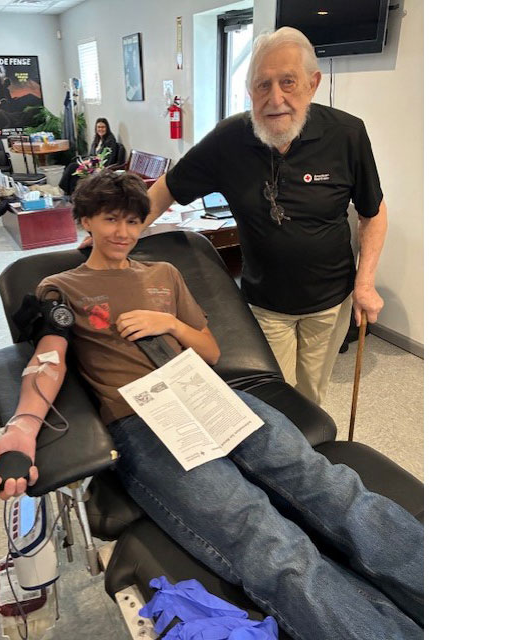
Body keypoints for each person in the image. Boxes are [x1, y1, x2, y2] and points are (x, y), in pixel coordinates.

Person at [0, 171, 423, 640]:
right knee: (263, 537)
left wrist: (169, 323)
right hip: (143, 420)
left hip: (211, 397)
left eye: (133, 221)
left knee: (330, 487)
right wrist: (22, 427)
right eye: (110, 219)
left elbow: (209, 352)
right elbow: (48, 358)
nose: (123, 232)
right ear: (85, 220)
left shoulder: (163, 274)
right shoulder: (60, 286)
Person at [134, 27, 387, 410]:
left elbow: (374, 212)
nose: (276, 98)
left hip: (329, 301)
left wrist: (365, 283)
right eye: (262, 85)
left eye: (288, 82)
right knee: (273, 401)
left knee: (312, 396)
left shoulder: (347, 134)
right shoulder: (228, 140)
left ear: (312, 84)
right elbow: (167, 187)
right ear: (250, 91)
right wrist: (121, 232)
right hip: (264, 304)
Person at [59, 117, 120, 195]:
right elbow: (91, 155)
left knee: (73, 168)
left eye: (103, 127)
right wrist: (87, 161)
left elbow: (107, 159)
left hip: (99, 168)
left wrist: (91, 164)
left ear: (107, 128)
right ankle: (69, 193)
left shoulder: (110, 140)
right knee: (73, 168)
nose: (101, 129)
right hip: (91, 165)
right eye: (99, 127)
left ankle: (64, 190)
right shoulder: (97, 139)